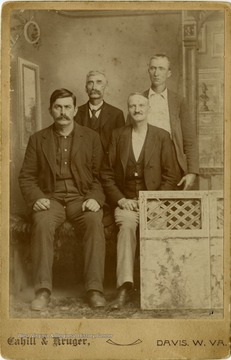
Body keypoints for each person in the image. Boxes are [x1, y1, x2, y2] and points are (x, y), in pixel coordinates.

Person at [18, 88, 106, 311]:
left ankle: (94, 289)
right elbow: (26, 176)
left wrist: (95, 198)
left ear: (76, 110)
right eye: (58, 107)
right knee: (42, 222)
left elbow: (100, 176)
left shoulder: (91, 138)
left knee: (95, 221)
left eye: (68, 107)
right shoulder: (38, 139)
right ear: (50, 110)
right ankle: (43, 290)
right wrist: (37, 198)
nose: (63, 112)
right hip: (51, 199)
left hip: (81, 198)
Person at [100, 93, 181, 309]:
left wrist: (154, 201)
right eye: (132, 105)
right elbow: (106, 174)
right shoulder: (118, 135)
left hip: (154, 202)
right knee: (126, 227)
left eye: (141, 105)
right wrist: (121, 200)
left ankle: (157, 286)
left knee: (157, 229)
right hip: (126, 201)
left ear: (149, 108)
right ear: (128, 109)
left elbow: (171, 175)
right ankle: (124, 288)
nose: (137, 109)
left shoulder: (162, 136)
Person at [144, 54, 199, 190]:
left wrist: (192, 172)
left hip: (172, 162)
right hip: (145, 162)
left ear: (169, 73)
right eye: (153, 68)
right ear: (148, 71)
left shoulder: (179, 101)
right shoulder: (138, 100)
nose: (156, 73)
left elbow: (189, 140)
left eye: (161, 69)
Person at [75, 70, 125, 153]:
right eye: (90, 83)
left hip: (107, 165)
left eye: (99, 82)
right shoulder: (75, 112)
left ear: (106, 87)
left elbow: (121, 147)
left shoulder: (117, 114)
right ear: (86, 88)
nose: (94, 87)